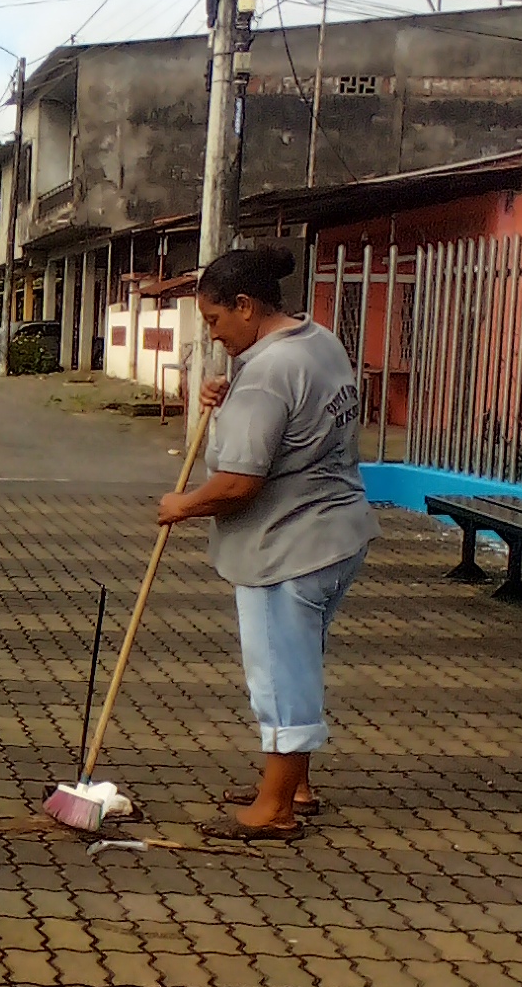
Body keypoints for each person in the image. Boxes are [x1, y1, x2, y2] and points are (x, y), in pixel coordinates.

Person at [156, 241, 377, 840]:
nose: (213, 334)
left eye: (214, 319)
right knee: (299, 661)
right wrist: (226, 400)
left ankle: (275, 809)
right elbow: (292, 417)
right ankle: (293, 785)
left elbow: (238, 483)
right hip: (338, 533)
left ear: (245, 305)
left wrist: (183, 505)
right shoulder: (317, 341)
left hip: (288, 547)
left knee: (278, 673)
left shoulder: (268, 372)